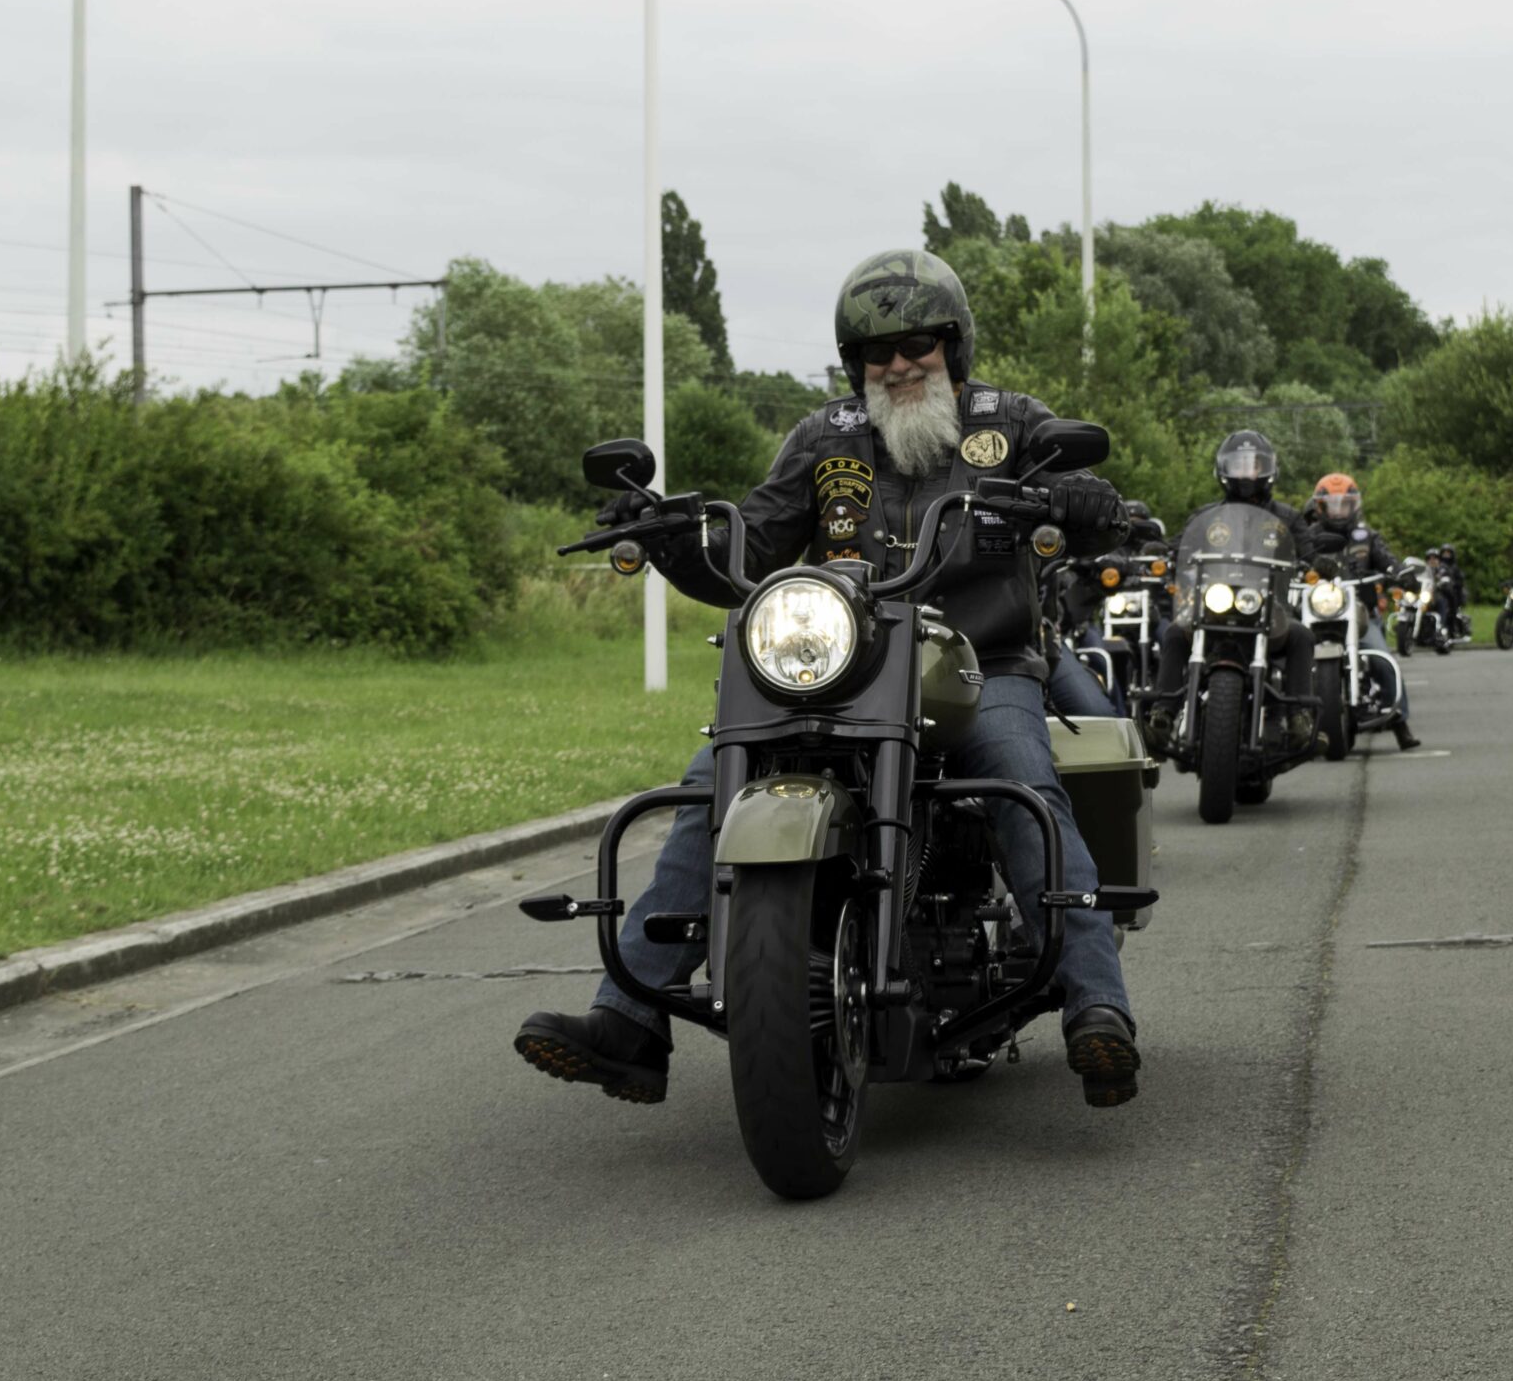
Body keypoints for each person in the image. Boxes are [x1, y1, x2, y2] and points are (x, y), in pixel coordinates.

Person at [514, 249, 1142, 1108]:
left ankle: (1096, 1004)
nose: (899, 364)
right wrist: (670, 537)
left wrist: (1091, 503)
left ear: (953, 346)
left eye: (917, 344)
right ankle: (628, 1019)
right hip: (842, 663)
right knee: (713, 781)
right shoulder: (824, 438)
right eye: (877, 351)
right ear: (855, 363)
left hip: (979, 662)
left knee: (1022, 779)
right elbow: (748, 545)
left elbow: (1088, 506)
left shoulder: (1012, 423)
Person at [1148, 430, 1316, 748]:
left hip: (1269, 607)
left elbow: (1309, 552)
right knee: (1174, 633)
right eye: (1238, 465)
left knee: (1301, 636)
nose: (1246, 473)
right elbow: (1179, 546)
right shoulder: (1206, 516)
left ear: (1268, 469)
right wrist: (1162, 553)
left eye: (1253, 465)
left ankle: (1299, 715)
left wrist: (1319, 563)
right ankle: (1163, 713)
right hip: (1214, 604)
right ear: (1224, 469)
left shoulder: (1288, 518)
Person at [1299, 472, 1397, 581]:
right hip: (1317, 590)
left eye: (1344, 504)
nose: (1338, 512)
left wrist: (1401, 572)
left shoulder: (1367, 536)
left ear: (1353, 505)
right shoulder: (1307, 537)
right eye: (1332, 505)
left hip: (1359, 590)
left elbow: (1388, 561)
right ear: (1320, 507)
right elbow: (1292, 564)